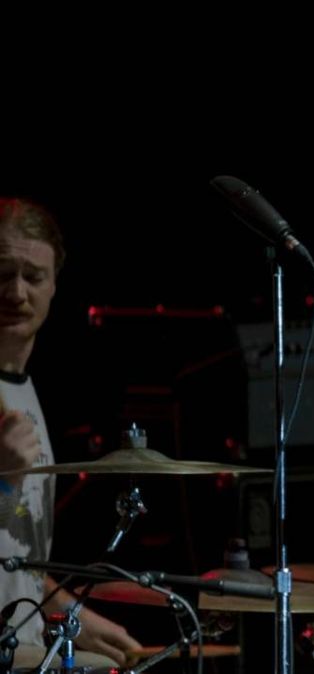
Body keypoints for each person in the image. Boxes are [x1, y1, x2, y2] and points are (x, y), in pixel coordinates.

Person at [0, 197, 143, 669]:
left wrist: (73, 613)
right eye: (2, 274)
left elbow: (17, 557)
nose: (17, 293)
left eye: (33, 277)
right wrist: (2, 480)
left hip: (26, 644)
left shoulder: (24, 390)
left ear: (56, 283)